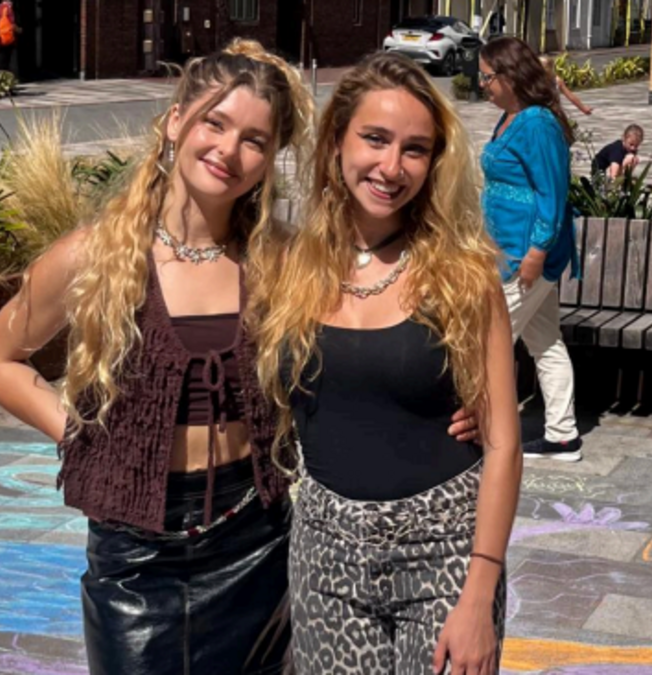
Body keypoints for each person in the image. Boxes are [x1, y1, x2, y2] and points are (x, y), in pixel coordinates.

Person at [0, 40, 479, 674]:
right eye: (215, 122)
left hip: (257, 542)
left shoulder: (283, 261)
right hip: (135, 561)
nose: (229, 151)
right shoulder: (95, 256)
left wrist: (462, 412)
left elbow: (376, 339)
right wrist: (83, 437)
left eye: (255, 140)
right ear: (175, 120)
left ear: (270, 160)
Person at [255, 52, 520, 675]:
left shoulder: (462, 275)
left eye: (415, 149)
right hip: (325, 556)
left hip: (446, 553)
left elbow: (506, 445)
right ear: (337, 141)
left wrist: (479, 594)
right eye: (375, 139)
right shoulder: (288, 266)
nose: (392, 167)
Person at [478, 36, 582, 463]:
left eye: (486, 77)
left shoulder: (537, 123)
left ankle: (481, 435)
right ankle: (563, 435)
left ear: (508, 76)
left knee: (489, 344)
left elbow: (551, 194)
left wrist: (536, 253)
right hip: (507, 249)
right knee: (546, 341)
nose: (481, 84)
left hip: (526, 257)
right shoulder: (510, 117)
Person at [0, 0, 20, 77]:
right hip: (6, 40)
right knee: (6, 63)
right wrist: (19, 30)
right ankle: (5, 81)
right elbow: (12, 25)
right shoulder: (8, 10)